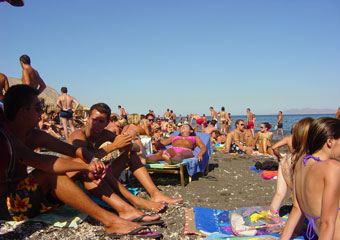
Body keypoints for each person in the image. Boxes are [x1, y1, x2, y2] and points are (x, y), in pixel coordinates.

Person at [1, 85, 162, 238]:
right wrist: (88, 165)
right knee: (53, 173)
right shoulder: (6, 141)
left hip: (37, 198)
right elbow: (47, 162)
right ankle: (111, 220)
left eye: (102, 121)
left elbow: (73, 150)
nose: (42, 113)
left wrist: (91, 160)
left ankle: (126, 209)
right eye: (37, 108)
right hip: (10, 206)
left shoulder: (34, 135)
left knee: (84, 167)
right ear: (22, 111)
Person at [68, 103, 183, 204]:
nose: (96, 124)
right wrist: (114, 146)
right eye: (94, 120)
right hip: (76, 179)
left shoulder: (105, 134)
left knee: (130, 155)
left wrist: (128, 145)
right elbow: (83, 159)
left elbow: (136, 147)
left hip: (96, 175)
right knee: (86, 164)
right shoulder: (78, 136)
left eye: (101, 121)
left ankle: (155, 194)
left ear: (107, 123)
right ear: (87, 119)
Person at [280, 117, 340, 240]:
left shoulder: (302, 162)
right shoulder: (332, 168)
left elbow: (297, 209)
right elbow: (327, 223)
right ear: (330, 141)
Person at [269, 118, 313, 214]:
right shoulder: (308, 159)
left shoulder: (285, 159)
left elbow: (279, 194)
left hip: (297, 205)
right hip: (306, 208)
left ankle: (270, 216)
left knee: (279, 194)